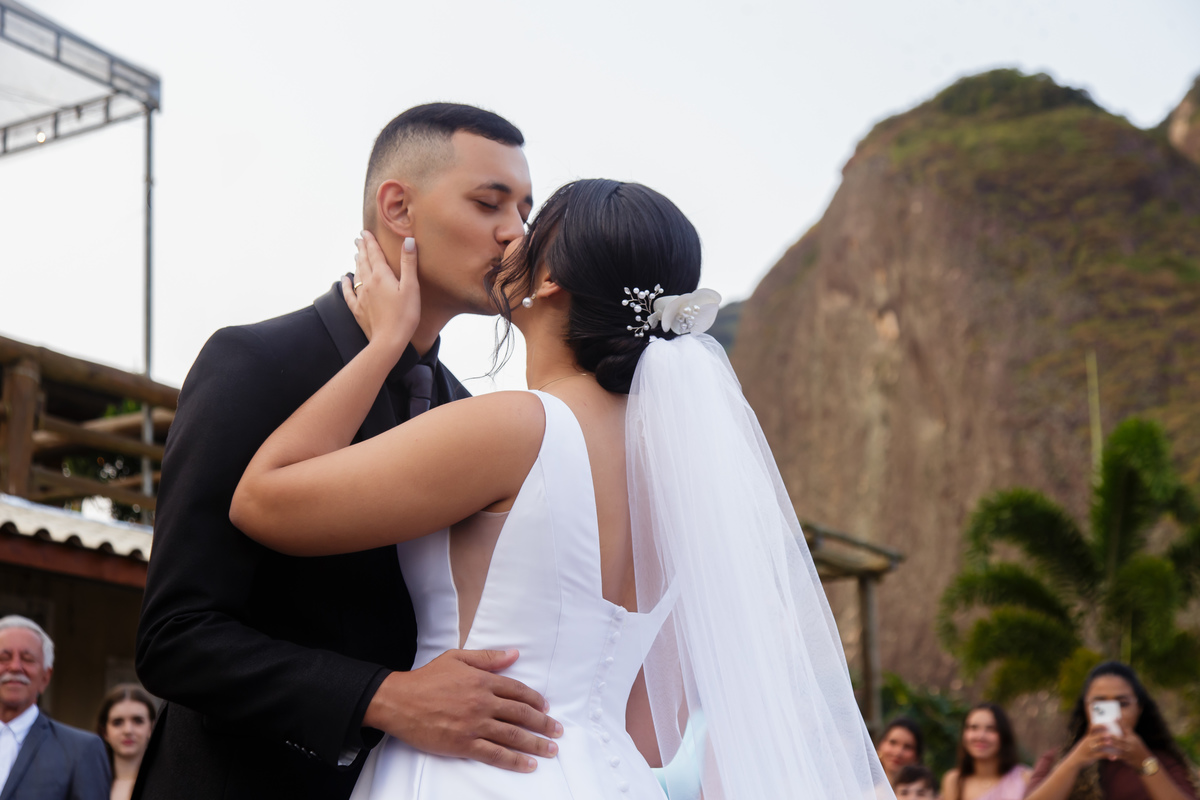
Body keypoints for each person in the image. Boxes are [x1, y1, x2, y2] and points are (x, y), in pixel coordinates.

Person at [230, 178, 890, 799]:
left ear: (549, 280)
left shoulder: (518, 426)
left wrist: (385, 343)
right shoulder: (672, 471)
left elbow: (263, 501)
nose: (509, 237)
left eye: (531, 224)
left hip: (478, 770)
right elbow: (648, 727)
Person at [133, 103, 560, 800]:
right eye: (490, 203)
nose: (517, 234)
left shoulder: (469, 415)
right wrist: (384, 697)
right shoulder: (255, 362)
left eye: (525, 210)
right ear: (397, 207)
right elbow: (175, 637)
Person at [1025, 662, 1198, 800]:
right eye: (1100, 704)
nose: (1113, 714)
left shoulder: (1163, 762)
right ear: (1085, 708)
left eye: (1122, 704)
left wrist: (1144, 762)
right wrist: (1074, 761)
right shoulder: (1056, 760)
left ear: (1139, 708)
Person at [0, 615, 109, 800]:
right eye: (4, 657)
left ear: (45, 677)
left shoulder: (81, 750)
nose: (15, 667)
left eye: (27, 659)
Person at [940, 703, 1028, 800]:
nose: (980, 736)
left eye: (991, 729)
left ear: (1004, 735)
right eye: (973, 728)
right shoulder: (954, 781)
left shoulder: (1024, 779)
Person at [95, 685, 156, 800]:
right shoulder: (87, 785)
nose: (128, 730)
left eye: (138, 721)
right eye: (117, 722)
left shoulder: (170, 784)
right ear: (105, 732)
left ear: (151, 728)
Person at [879, 716, 926, 787]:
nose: (898, 753)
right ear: (880, 745)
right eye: (893, 742)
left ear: (917, 755)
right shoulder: (864, 788)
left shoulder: (927, 792)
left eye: (907, 747)